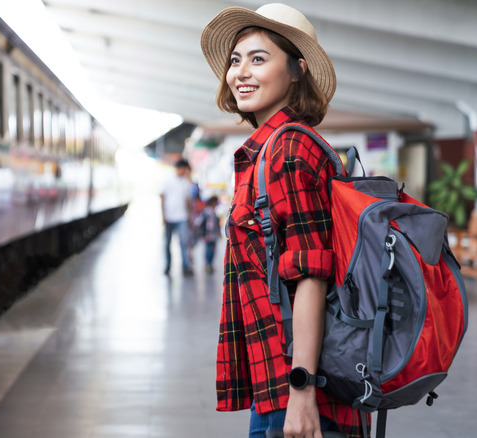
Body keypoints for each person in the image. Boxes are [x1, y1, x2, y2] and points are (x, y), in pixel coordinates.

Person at [200, 4, 369, 438]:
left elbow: (311, 274)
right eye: (235, 61)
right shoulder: (269, 150)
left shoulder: (289, 149)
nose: (241, 72)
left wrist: (302, 392)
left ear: (297, 70)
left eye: (259, 59)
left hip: (298, 389)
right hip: (277, 384)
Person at [160, 158, 194, 276]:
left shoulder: (186, 183)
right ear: (180, 168)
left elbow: (187, 201)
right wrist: (163, 215)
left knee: (183, 242)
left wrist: (189, 216)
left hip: (182, 217)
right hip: (169, 217)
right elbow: (162, 198)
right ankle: (168, 266)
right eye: (185, 169)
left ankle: (185, 267)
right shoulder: (167, 180)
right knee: (167, 243)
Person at [193, 195, 221, 274]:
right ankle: (207, 264)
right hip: (207, 235)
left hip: (214, 235)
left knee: (213, 250)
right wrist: (202, 233)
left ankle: (210, 264)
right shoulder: (206, 212)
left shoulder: (214, 212)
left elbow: (217, 224)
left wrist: (219, 233)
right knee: (208, 250)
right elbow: (199, 222)